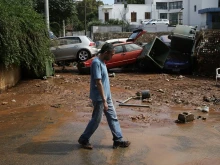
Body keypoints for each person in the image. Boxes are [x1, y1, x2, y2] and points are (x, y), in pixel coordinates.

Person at [78, 43, 131, 149]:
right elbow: (98, 82)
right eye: (111, 54)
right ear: (106, 52)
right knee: (96, 120)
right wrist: (104, 100)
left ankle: (118, 140)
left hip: (106, 96)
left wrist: (107, 97)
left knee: (113, 117)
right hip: (99, 98)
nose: (112, 57)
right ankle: (84, 139)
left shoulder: (103, 62)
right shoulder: (96, 63)